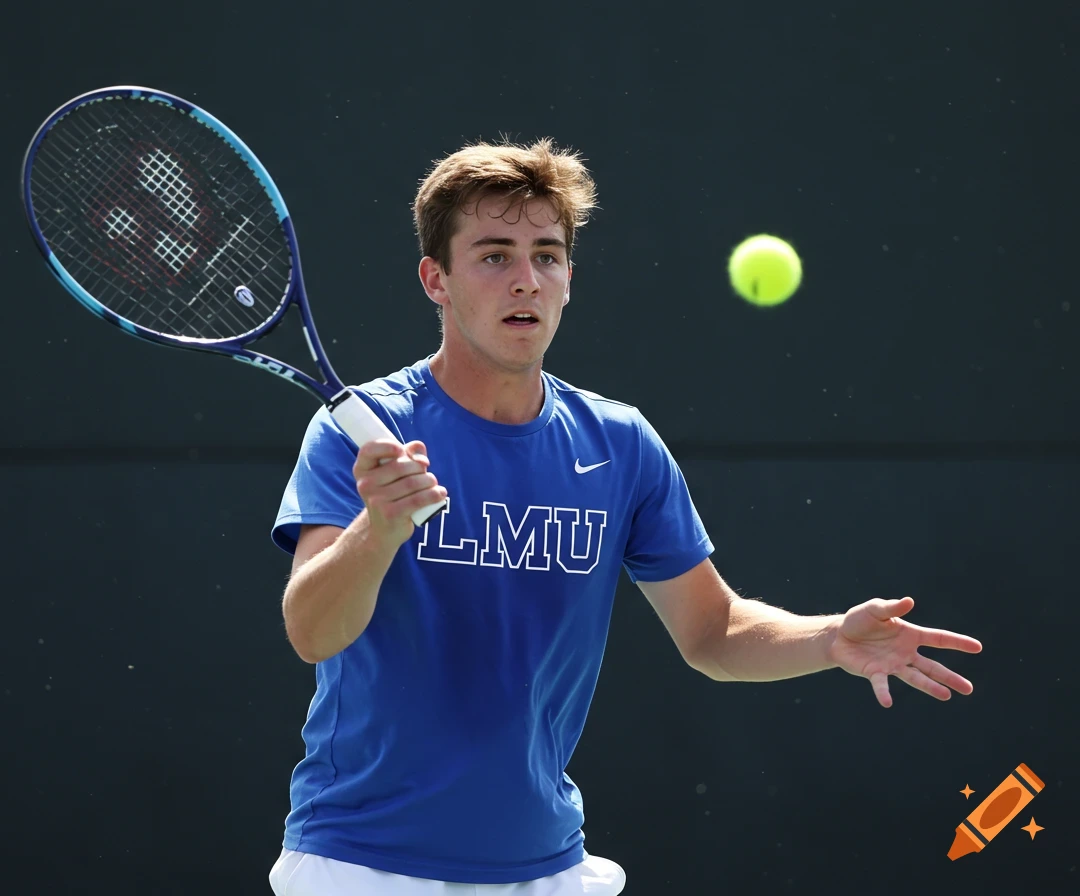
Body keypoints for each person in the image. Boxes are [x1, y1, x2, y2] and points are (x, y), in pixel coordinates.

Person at [266, 139, 983, 896]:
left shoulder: (619, 445)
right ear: (435, 280)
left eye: (547, 255)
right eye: (494, 255)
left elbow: (714, 631)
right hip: (361, 866)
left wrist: (830, 638)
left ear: (569, 278)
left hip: (546, 867)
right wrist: (377, 530)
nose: (526, 280)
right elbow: (314, 632)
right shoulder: (361, 432)